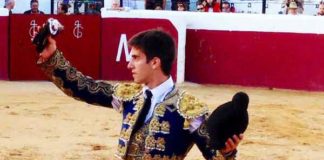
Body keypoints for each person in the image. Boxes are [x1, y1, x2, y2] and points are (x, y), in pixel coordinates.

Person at [33, 27, 243, 159]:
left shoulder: (189, 110)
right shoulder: (129, 95)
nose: (129, 63)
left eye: (135, 58)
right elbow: (83, 88)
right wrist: (53, 56)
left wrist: (228, 153)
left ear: (154, 62)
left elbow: (214, 152)